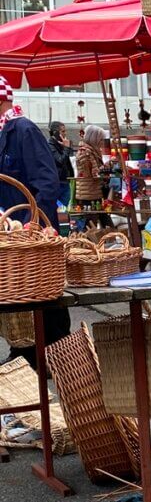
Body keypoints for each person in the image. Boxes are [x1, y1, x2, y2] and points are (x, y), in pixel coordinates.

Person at [0, 74, 71, 365]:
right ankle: (25, 350)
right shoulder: (3, 131)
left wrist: (35, 222)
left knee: (44, 293)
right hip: (11, 228)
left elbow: (47, 180)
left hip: (34, 225)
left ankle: (58, 354)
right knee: (19, 292)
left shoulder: (23, 129)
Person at [75, 124, 112, 228]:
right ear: (94, 139)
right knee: (90, 225)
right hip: (88, 193)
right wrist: (104, 169)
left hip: (94, 192)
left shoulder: (91, 151)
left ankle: (109, 239)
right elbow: (89, 174)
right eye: (100, 140)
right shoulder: (85, 153)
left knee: (103, 220)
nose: (101, 143)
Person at [47, 121, 74, 207]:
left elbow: (69, 160)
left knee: (65, 207)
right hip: (58, 182)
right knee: (59, 208)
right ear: (55, 133)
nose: (65, 133)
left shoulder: (62, 143)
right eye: (63, 131)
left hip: (65, 180)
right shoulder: (50, 145)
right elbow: (60, 160)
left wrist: (67, 148)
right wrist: (66, 148)